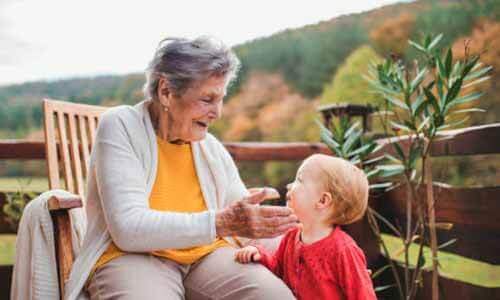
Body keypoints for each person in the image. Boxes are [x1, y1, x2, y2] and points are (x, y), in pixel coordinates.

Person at [64, 36, 298, 300]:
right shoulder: (120, 125)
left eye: (220, 99)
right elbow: (128, 229)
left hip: (205, 254)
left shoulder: (210, 148)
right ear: (166, 91)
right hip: (133, 257)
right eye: (207, 99)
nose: (217, 112)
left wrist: (302, 237)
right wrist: (220, 222)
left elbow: (244, 222)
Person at [235, 154, 377, 300]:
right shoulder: (292, 235)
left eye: (299, 180)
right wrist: (260, 256)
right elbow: (279, 268)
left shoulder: (343, 250)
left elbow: (363, 295)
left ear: (322, 201)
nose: (289, 186)